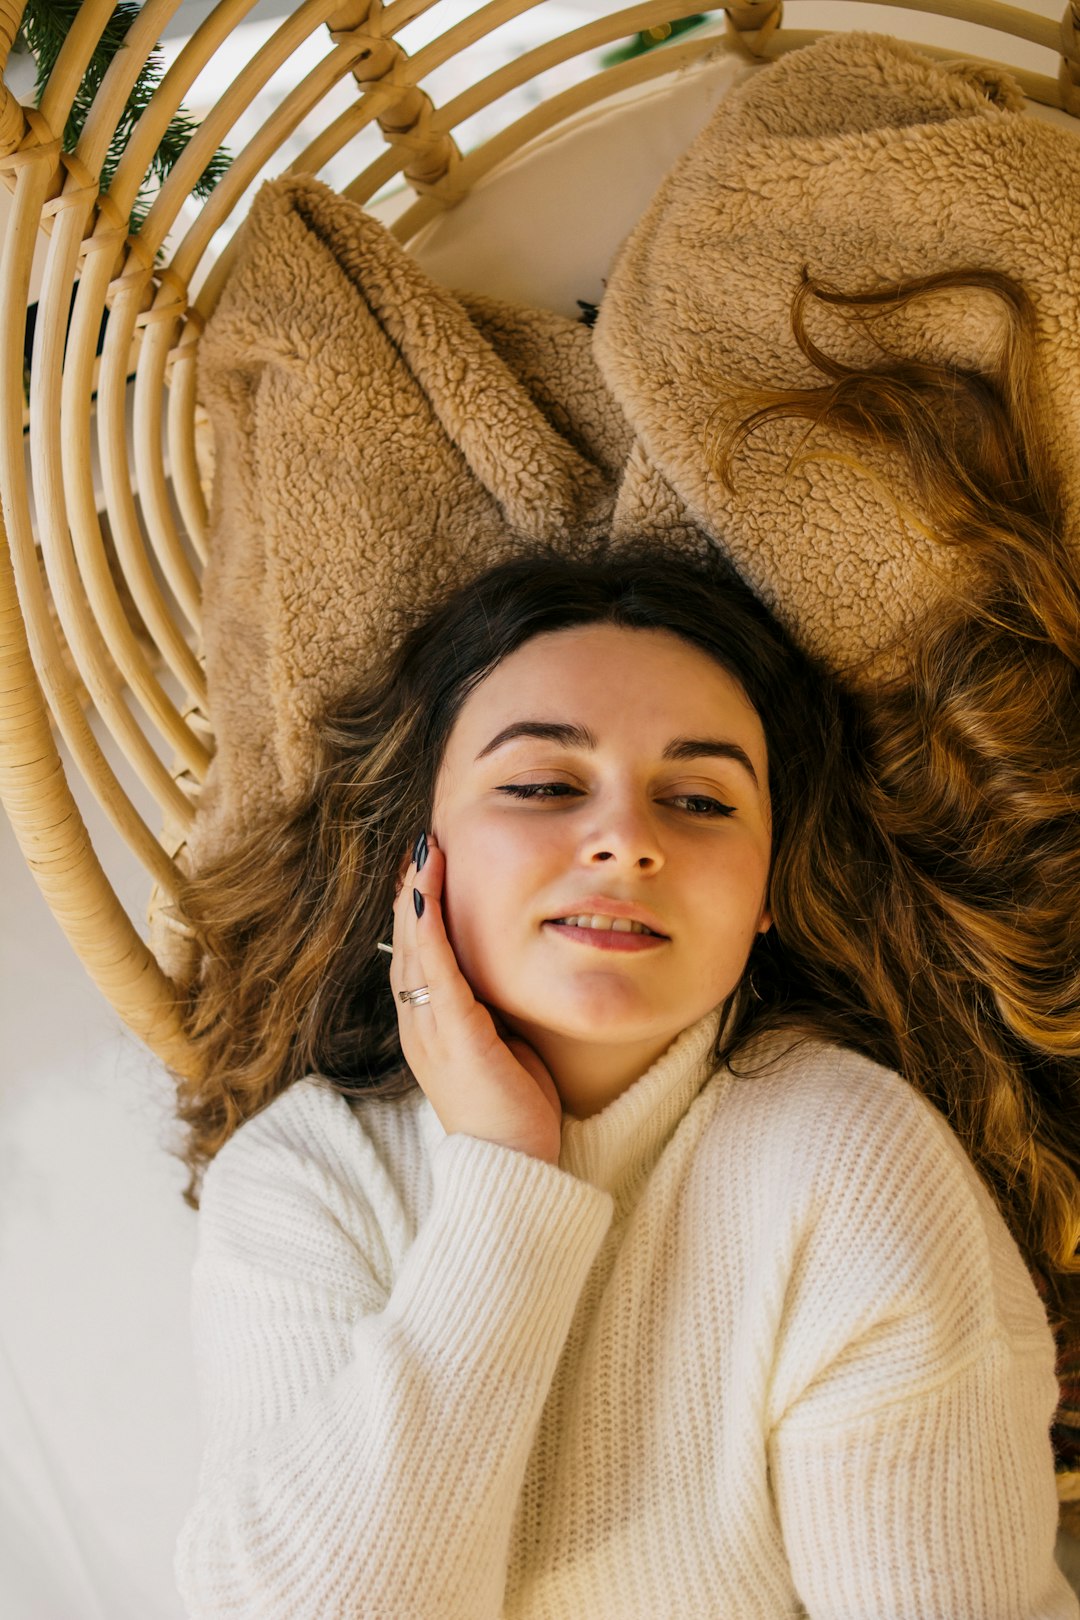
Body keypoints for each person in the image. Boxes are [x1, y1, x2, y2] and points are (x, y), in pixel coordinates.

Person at [172, 274, 1080, 1619]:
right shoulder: (306, 1182)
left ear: (767, 888)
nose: (624, 840)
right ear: (420, 845)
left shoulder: (846, 1162)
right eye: (543, 785)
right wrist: (501, 1182)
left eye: (701, 799)